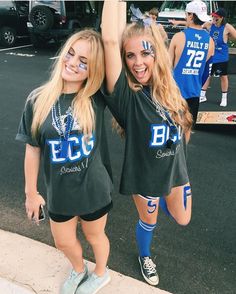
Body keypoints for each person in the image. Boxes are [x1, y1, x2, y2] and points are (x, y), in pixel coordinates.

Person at [102, 0, 193, 286]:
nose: (137, 62)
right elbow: (109, 38)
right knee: (149, 222)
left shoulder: (170, 87)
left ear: (157, 52)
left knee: (184, 219)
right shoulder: (128, 97)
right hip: (145, 178)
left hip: (175, 171)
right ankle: (145, 256)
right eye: (129, 56)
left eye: (144, 52)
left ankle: (166, 198)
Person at [16, 29, 113, 294]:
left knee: (95, 236)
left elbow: (115, 48)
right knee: (63, 241)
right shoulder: (37, 100)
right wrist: (31, 193)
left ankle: (101, 274)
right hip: (59, 191)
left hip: (94, 188)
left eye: (84, 61)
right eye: (70, 53)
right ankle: (79, 269)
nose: (72, 63)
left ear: (93, 70)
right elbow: (33, 149)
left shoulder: (97, 98)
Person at [168, 0, 214, 126]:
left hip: (175, 92)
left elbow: (167, 67)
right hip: (194, 91)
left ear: (191, 16)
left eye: (186, 14)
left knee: (171, 127)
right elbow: (206, 72)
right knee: (187, 128)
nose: (185, 16)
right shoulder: (210, 41)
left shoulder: (179, 37)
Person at [200, 8, 236, 107]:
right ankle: (202, 95)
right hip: (211, 55)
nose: (213, 17)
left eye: (216, 16)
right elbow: (197, 27)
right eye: (213, 16)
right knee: (207, 75)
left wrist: (229, 37)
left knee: (223, 77)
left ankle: (224, 98)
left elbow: (235, 37)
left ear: (221, 18)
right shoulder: (209, 24)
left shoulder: (227, 27)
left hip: (222, 57)